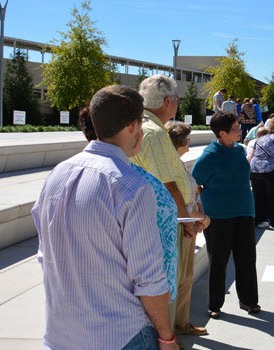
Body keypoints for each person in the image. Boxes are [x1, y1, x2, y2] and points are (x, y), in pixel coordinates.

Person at [33, 85, 178, 349]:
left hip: (61, 333)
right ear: (134, 126)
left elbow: (45, 255)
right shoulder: (132, 186)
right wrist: (167, 337)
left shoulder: (57, 174)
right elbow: (150, 281)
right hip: (122, 334)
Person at [131, 74, 199, 335]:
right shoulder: (155, 132)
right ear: (168, 101)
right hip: (167, 222)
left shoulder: (148, 127)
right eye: (177, 99)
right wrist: (186, 221)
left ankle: (176, 329)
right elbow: (167, 185)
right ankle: (168, 336)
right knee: (170, 280)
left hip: (162, 217)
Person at [192, 111, 261, 319]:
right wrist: (208, 202)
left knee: (247, 259)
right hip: (219, 216)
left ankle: (249, 300)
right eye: (236, 128)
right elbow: (195, 180)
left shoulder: (240, 151)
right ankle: (215, 304)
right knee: (218, 261)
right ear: (222, 133)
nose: (240, 131)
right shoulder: (209, 155)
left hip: (245, 211)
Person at [164, 120, 212, 337]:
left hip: (188, 225)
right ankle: (171, 329)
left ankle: (181, 323)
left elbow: (192, 193)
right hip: (180, 227)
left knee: (185, 278)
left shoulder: (179, 163)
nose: (190, 143)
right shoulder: (169, 166)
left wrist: (196, 217)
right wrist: (202, 218)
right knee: (178, 279)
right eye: (188, 139)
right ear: (180, 142)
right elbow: (176, 202)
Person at [248, 125, 274, 230]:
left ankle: (260, 220)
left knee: (258, 197)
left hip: (255, 170)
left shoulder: (259, 139)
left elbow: (251, 157)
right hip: (271, 170)